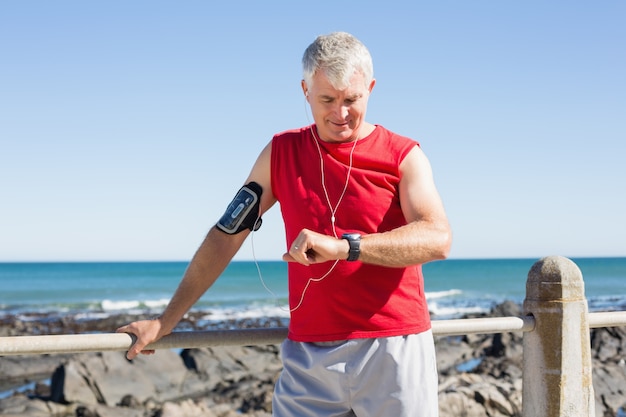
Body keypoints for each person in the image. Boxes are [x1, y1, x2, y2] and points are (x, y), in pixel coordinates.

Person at [117, 31, 452, 417]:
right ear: (305, 90)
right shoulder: (280, 152)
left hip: (394, 350)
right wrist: (166, 320)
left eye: (352, 100)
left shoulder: (404, 155)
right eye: (327, 99)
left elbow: (438, 237)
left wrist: (346, 247)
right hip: (308, 357)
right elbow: (226, 235)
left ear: (371, 89)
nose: (340, 114)